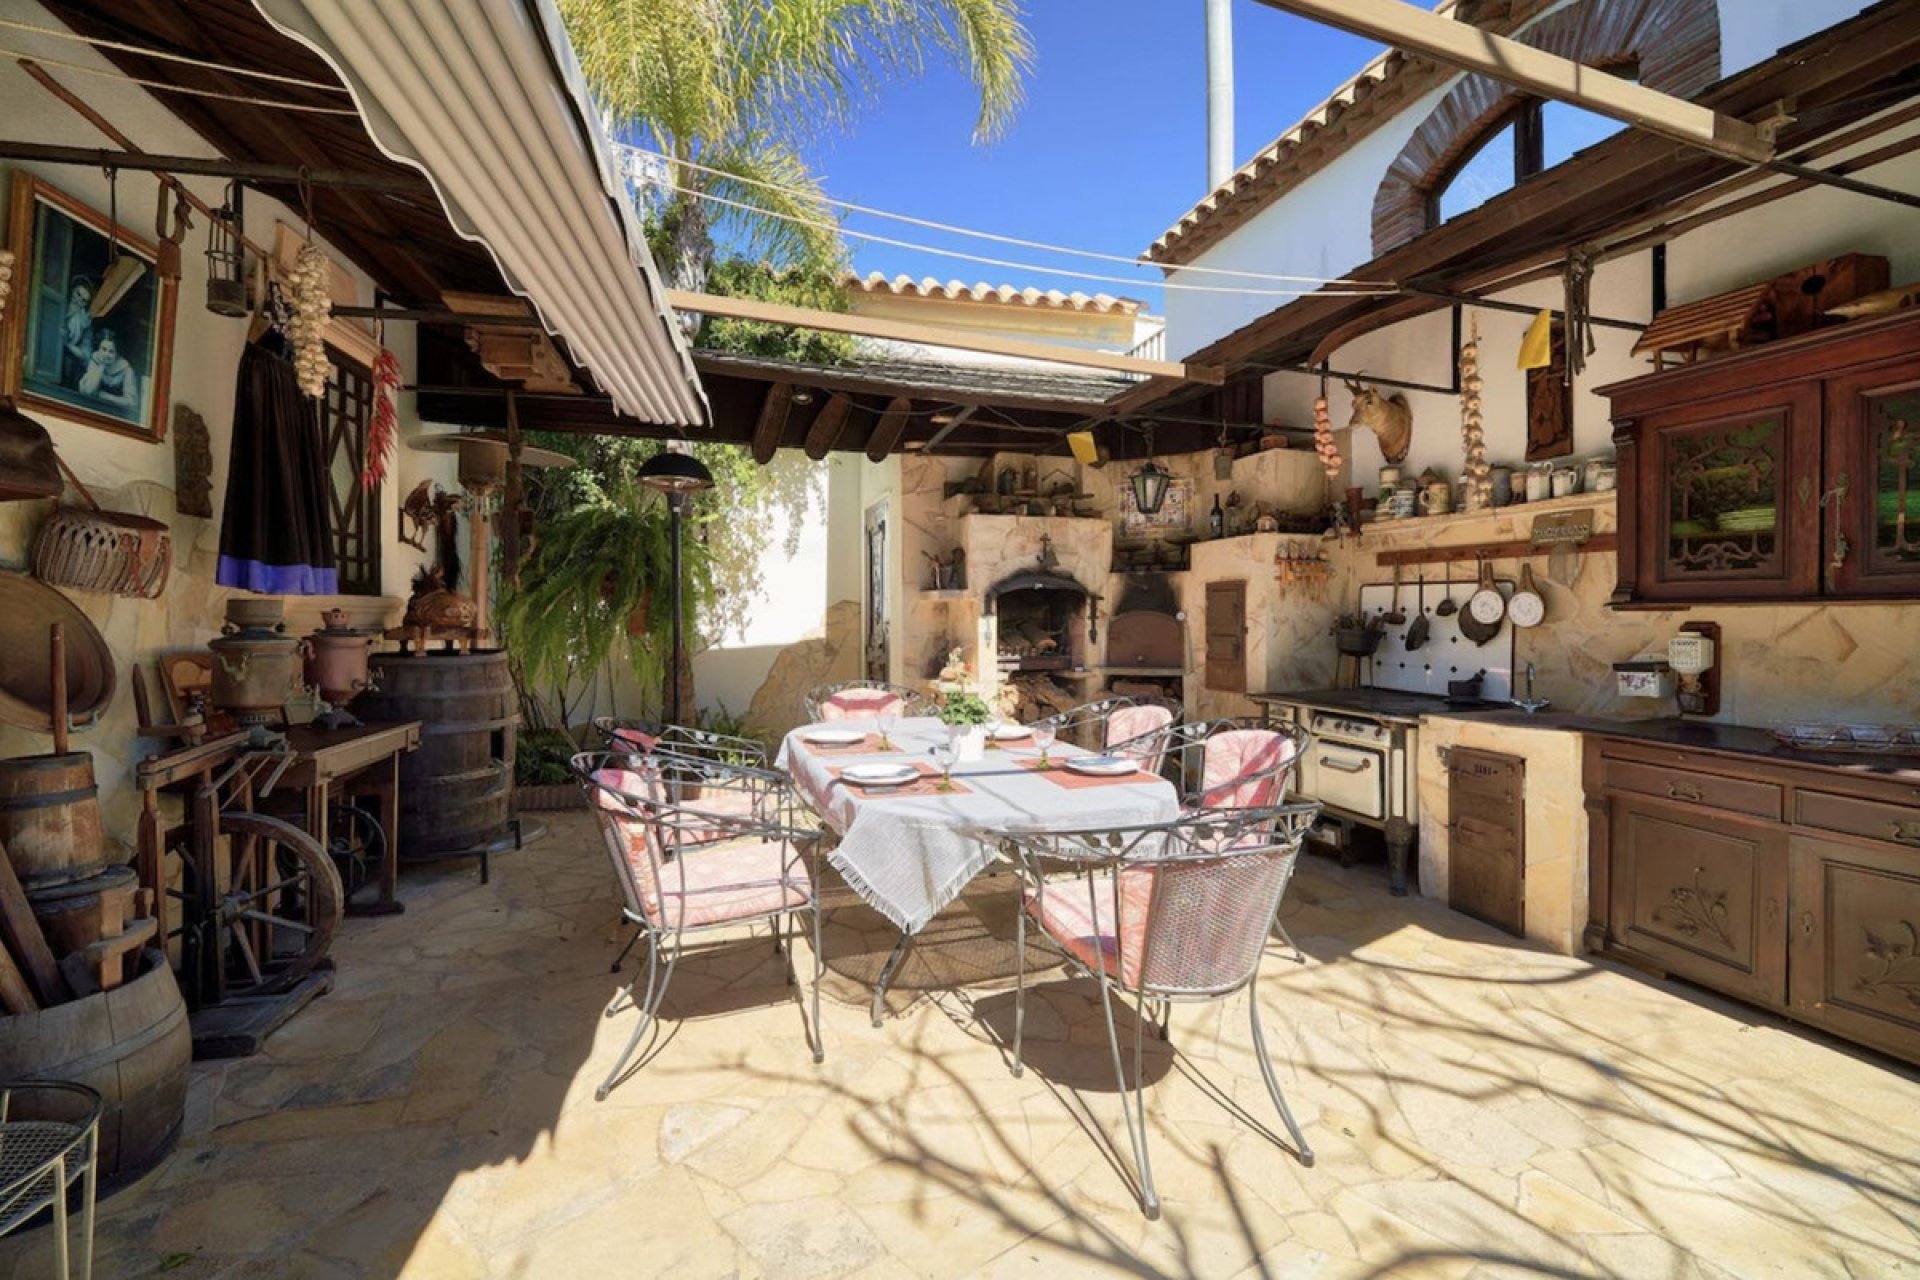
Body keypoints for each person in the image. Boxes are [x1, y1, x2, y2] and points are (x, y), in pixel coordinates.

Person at [77, 330, 139, 410]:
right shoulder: (95, 360)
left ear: (117, 354)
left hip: (115, 411)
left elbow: (132, 402)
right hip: (93, 407)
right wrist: (102, 366)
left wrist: (105, 396)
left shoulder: (126, 370)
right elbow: (88, 391)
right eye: (103, 349)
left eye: (111, 352)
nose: (106, 354)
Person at [61, 279, 94, 387]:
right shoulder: (58, 303)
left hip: (67, 359)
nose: (78, 300)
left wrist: (67, 344)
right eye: (78, 294)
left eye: (83, 300)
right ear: (72, 290)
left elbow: (86, 354)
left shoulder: (85, 321)